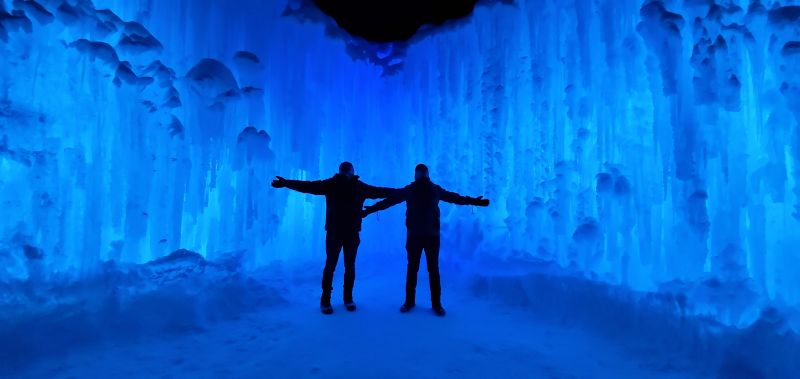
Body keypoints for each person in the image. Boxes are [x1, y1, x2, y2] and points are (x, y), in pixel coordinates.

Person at [362, 164, 489, 316]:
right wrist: (370, 210)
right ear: (419, 174)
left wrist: (474, 201)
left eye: (422, 173)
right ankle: (414, 303)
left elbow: (455, 198)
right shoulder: (420, 189)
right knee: (419, 269)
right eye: (420, 172)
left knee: (427, 270)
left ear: (424, 174)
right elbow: (389, 201)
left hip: (428, 236)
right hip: (420, 236)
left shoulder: (431, 189)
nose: (421, 175)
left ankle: (432, 304)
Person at [272, 162, 392, 314]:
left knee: (348, 266)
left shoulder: (359, 187)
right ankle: (326, 300)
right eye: (344, 170)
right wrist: (286, 183)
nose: (346, 173)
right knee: (331, 266)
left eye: (348, 170)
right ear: (341, 171)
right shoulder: (332, 184)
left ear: (353, 172)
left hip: (351, 233)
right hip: (335, 233)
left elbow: (380, 191)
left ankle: (347, 298)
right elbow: (309, 186)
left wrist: (402, 192)